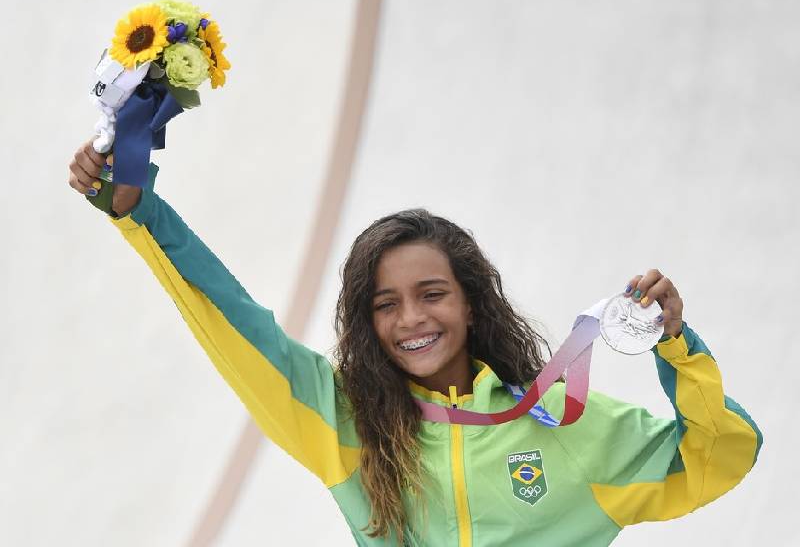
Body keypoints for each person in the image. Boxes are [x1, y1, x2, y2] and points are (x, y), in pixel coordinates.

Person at [69, 139, 762, 546]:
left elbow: (719, 456)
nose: (410, 319)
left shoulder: (568, 427)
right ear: (367, 323)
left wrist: (676, 346)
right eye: (385, 304)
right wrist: (140, 212)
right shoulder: (342, 422)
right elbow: (235, 322)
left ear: (470, 302)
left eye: (432, 294)